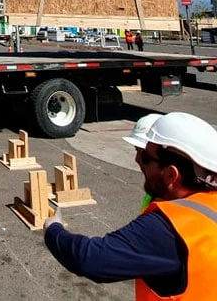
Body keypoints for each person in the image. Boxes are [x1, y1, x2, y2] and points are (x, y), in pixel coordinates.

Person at [44, 112, 217, 299]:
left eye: (145, 157)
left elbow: (91, 259)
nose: (137, 160)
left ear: (170, 175)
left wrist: (53, 230)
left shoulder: (169, 228)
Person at [123, 113, 163, 211]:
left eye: (144, 154)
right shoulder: (154, 188)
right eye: (137, 150)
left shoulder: (173, 201)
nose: (137, 159)